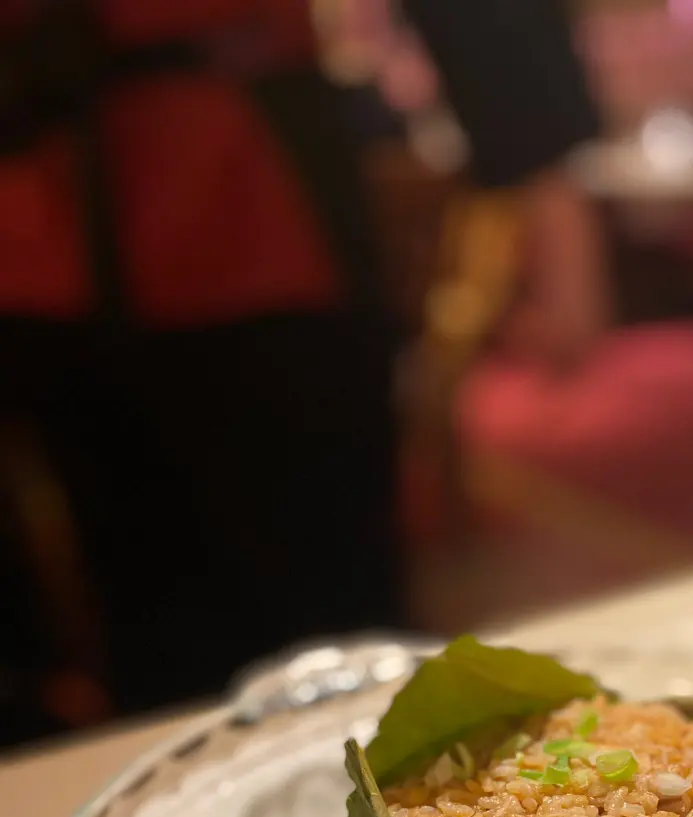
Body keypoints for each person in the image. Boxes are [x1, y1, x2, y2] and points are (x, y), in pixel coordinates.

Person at [0, 0, 607, 718]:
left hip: (257, 207)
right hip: (37, 228)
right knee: (131, 637)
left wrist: (543, 182)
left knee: (333, 622)